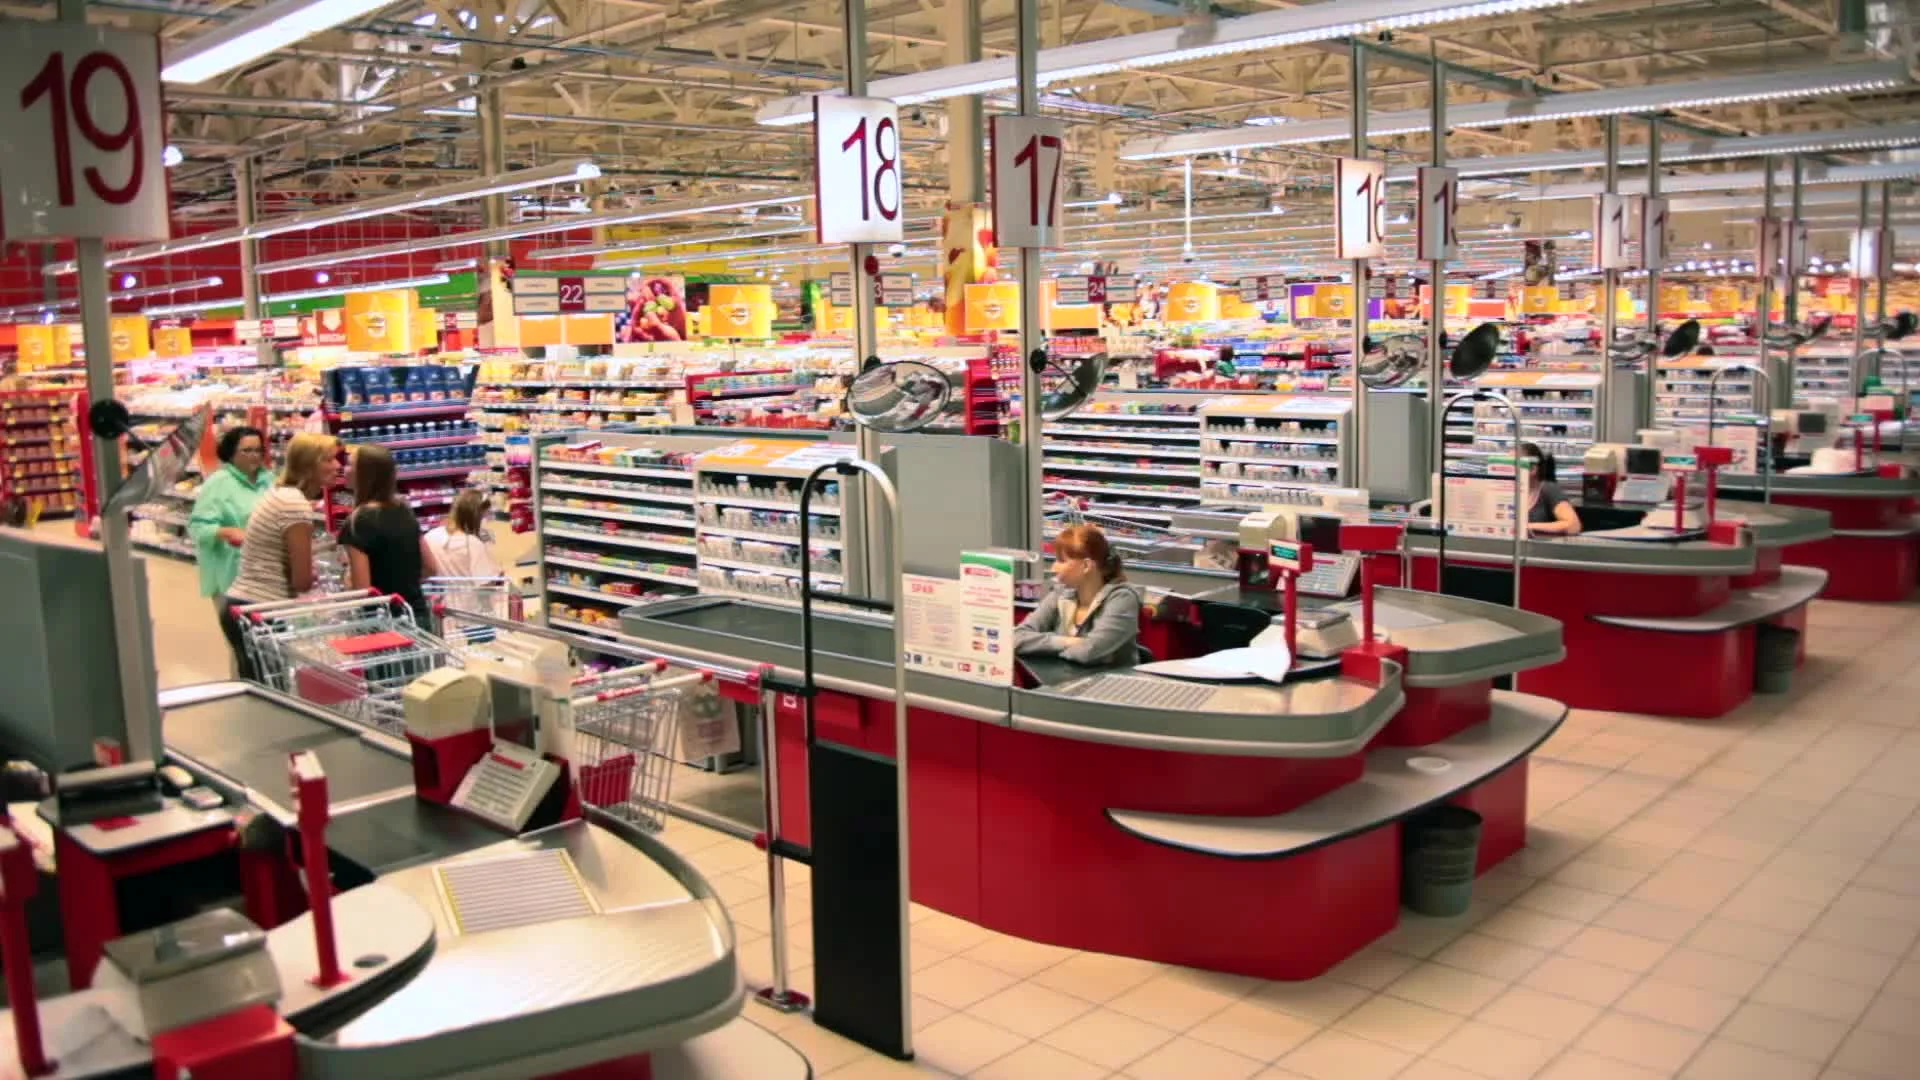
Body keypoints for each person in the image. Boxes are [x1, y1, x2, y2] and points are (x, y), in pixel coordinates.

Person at [223, 432, 341, 678]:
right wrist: (315, 574)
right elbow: (301, 581)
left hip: (245, 606)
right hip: (259, 611)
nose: (337, 466)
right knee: (272, 698)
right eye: (329, 460)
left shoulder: (282, 495)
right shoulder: (294, 505)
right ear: (309, 465)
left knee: (263, 695)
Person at [188, 426, 274, 673]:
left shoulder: (268, 480)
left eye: (258, 450)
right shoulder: (218, 483)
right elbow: (197, 527)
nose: (255, 456)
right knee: (242, 643)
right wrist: (225, 532)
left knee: (267, 641)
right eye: (247, 450)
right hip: (230, 573)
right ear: (231, 453)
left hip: (265, 572)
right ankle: (245, 690)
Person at [1015, 524, 1142, 667]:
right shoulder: (1060, 592)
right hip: (1063, 682)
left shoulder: (1122, 598)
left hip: (1110, 686)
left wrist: (1043, 646)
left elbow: (1089, 652)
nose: (1053, 567)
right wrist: (1066, 641)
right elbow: (1017, 637)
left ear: (1086, 566)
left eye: (1061, 561)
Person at [338, 444, 439, 621]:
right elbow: (431, 568)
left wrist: (347, 580)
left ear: (365, 474)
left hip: (382, 623)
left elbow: (362, 591)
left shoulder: (356, 522)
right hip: (416, 614)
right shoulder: (404, 510)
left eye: (349, 464)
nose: (343, 469)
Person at [424, 489, 502, 578]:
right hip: (467, 591)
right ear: (476, 517)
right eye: (484, 515)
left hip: (437, 591)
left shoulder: (431, 536)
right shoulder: (473, 544)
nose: (487, 520)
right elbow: (487, 583)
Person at [1519, 441, 1582, 536]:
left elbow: (1573, 525)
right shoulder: (1505, 491)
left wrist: (1527, 527)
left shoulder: (1548, 490)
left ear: (1533, 469)